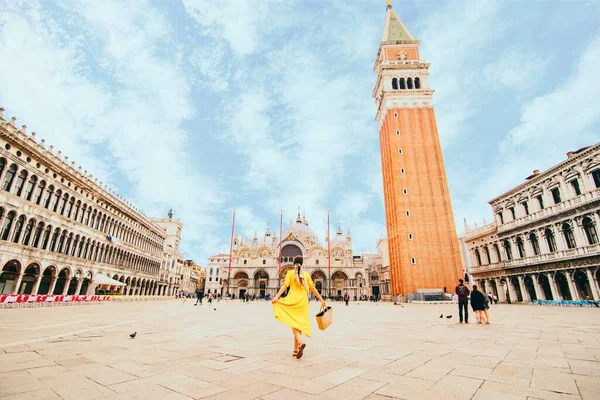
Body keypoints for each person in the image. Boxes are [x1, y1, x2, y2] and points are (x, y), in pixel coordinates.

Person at [272, 256, 326, 359]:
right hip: (303, 302)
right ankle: (295, 350)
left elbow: (284, 286)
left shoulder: (290, 273)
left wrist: (276, 297)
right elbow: (313, 288)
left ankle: (300, 342)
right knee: (298, 324)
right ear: (302, 263)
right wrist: (321, 300)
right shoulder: (305, 275)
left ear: (293, 263)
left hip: (292, 300)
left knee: (294, 323)